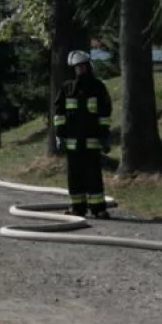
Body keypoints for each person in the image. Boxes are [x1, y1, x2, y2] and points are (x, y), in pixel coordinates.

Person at [53, 50, 112, 218]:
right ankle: (77, 208)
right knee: (74, 177)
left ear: (88, 66)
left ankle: (98, 209)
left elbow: (105, 113)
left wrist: (104, 136)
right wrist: (60, 135)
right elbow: (59, 114)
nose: (80, 70)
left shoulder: (98, 87)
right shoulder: (67, 88)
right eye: (77, 67)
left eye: (82, 66)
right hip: (72, 143)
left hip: (92, 142)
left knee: (94, 176)